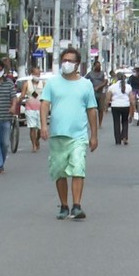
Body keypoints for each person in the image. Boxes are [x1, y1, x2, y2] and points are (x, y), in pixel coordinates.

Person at [40, 48, 98, 220]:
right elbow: (44, 104)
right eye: (64, 60)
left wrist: (93, 135)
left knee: (78, 168)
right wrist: (43, 125)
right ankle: (64, 205)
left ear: (77, 64)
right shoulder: (52, 83)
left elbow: (92, 110)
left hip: (78, 136)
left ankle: (77, 206)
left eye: (70, 61)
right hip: (57, 135)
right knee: (59, 172)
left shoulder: (85, 85)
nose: (66, 63)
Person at [18, 67, 44, 152]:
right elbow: (22, 95)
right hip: (30, 108)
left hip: (40, 109)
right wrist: (16, 102)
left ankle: (37, 140)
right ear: (32, 74)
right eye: (36, 74)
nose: (37, 76)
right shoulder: (27, 84)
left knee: (40, 129)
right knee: (32, 128)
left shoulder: (43, 83)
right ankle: (33, 146)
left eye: (39, 74)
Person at [105, 72, 135, 145]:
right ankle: (124, 137)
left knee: (116, 122)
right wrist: (133, 109)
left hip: (115, 106)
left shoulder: (112, 87)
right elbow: (132, 99)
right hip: (125, 106)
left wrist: (105, 107)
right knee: (125, 122)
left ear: (116, 78)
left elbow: (107, 98)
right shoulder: (128, 87)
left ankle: (118, 140)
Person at [84, 60, 108, 126]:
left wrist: (99, 87)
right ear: (94, 66)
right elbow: (84, 81)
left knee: (100, 109)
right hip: (92, 93)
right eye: (97, 66)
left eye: (99, 66)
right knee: (92, 108)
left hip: (101, 93)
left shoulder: (103, 73)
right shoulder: (90, 74)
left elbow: (106, 81)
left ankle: (100, 123)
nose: (99, 67)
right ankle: (92, 123)